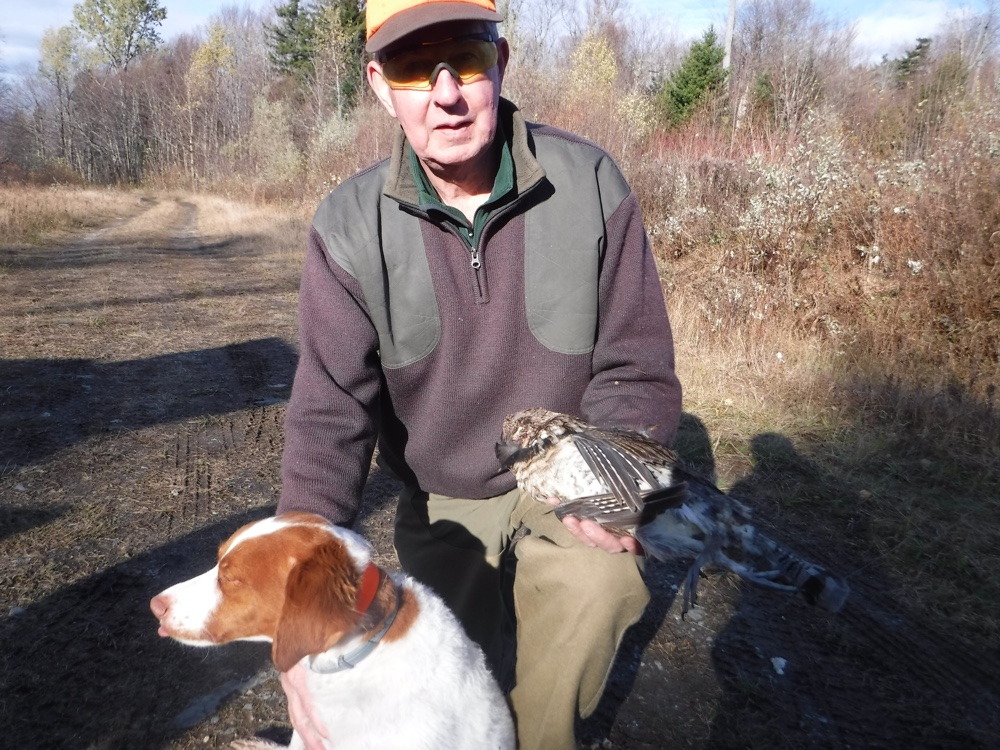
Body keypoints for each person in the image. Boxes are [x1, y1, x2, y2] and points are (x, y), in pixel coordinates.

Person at [276, 1, 683, 748]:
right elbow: (327, 417)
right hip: (442, 496)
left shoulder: (590, 181)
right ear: (377, 83)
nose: (446, 92)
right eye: (410, 66)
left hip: (566, 476)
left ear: (500, 62)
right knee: (446, 677)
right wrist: (298, 589)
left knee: (598, 587)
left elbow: (638, 364)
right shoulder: (346, 224)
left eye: (465, 55)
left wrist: (615, 480)